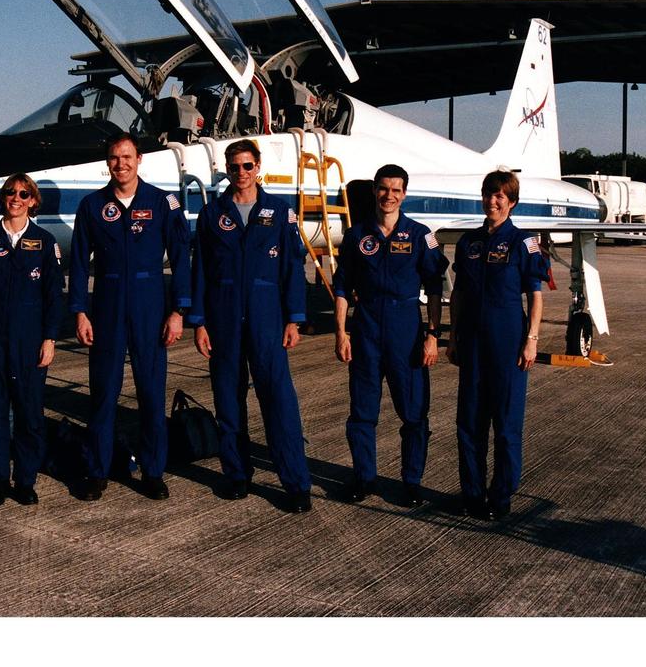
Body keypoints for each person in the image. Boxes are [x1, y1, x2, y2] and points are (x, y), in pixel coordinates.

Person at [187, 139, 314, 514]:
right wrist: (199, 322)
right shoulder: (213, 215)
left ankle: (295, 482)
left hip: (267, 320)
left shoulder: (279, 212)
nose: (240, 173)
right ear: (227, 169)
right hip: (223, 320)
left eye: (247, 166)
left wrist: (295, 318)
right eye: (234, 167)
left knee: (279, 401)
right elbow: (201, 273)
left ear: (258, 167)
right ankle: (238, 475)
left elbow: (292, 269)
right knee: (228, 399)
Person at [70, 133, 191, 501]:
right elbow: (77, 263)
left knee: (151, 393)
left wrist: (178, 310)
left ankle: (153, 471)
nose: (120, 164)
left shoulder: (162, 203)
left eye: (127, 157)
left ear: (139, 159)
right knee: (103, 393)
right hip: (107, 304)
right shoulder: (92, 205)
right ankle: (97, 470)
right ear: (107, 163)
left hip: (150, 306)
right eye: (113, 158)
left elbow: (182, 257)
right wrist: (79, 311)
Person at [332, 164, 447, 508]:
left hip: (406, 331)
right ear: (375, 191)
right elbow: (342, 287)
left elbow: (435, 285)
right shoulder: (356, 236)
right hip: (366, 329)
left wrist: (432, 335)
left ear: (405, 194)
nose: (389, 195)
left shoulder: (421, 235)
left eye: (396, 190)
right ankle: (364, 477)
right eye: (383, 189)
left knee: (413, 413)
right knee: (362, 412)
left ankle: (411, 482)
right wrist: (341, 331)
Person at [447, 169, 549, 521]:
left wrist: (531, 340)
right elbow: (458, 293)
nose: (492, 200)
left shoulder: (524, 243)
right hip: (473, 344)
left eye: (500, 196)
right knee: (469, 423)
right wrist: (454, 336)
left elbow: (536, 296)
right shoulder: (468, 242)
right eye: (488, 194)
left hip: (508, 345)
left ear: (512, 203)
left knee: (506, 426)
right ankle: (472, 494)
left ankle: (501, 495)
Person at [0, 174, 64, 506]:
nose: (16, 198)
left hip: (30, 342)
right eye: (10, 192)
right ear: (3, 198)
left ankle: (24, 480)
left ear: (33, 200)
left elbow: (54, 296)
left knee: (29, 415)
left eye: (23, 193)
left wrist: (50, 338)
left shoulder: (45, 242)